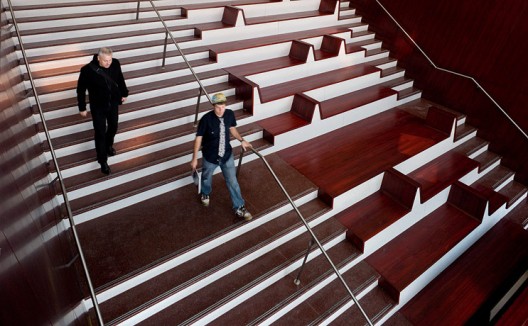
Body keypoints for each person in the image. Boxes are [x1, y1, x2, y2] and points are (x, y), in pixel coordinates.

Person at [190, 93, 253, 221]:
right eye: (218, 107)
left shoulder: (229, 114)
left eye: (223, 106)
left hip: (226, 155)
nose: (221, 110)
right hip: (210, 156)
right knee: (206, 178)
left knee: (233, 182)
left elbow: (232, 129)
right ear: (213, 106)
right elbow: (198, 139)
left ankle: (239, 207)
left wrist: (242, 140)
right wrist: (195, 157)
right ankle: (205, 193)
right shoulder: (206, 119)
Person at [77, 47, 129, 175]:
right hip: (98, 106)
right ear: (98, 58)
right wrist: (82, 107)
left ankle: (108, 145)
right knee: (100, 132)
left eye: (110, 60)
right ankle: (102, 160)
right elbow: (81, 90)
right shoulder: (87, 70)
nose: (108, 63)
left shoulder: (115, 63)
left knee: (113, 126)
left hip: (113, 103)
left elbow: (120, 79)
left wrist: (124, 93)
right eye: (105, 61)